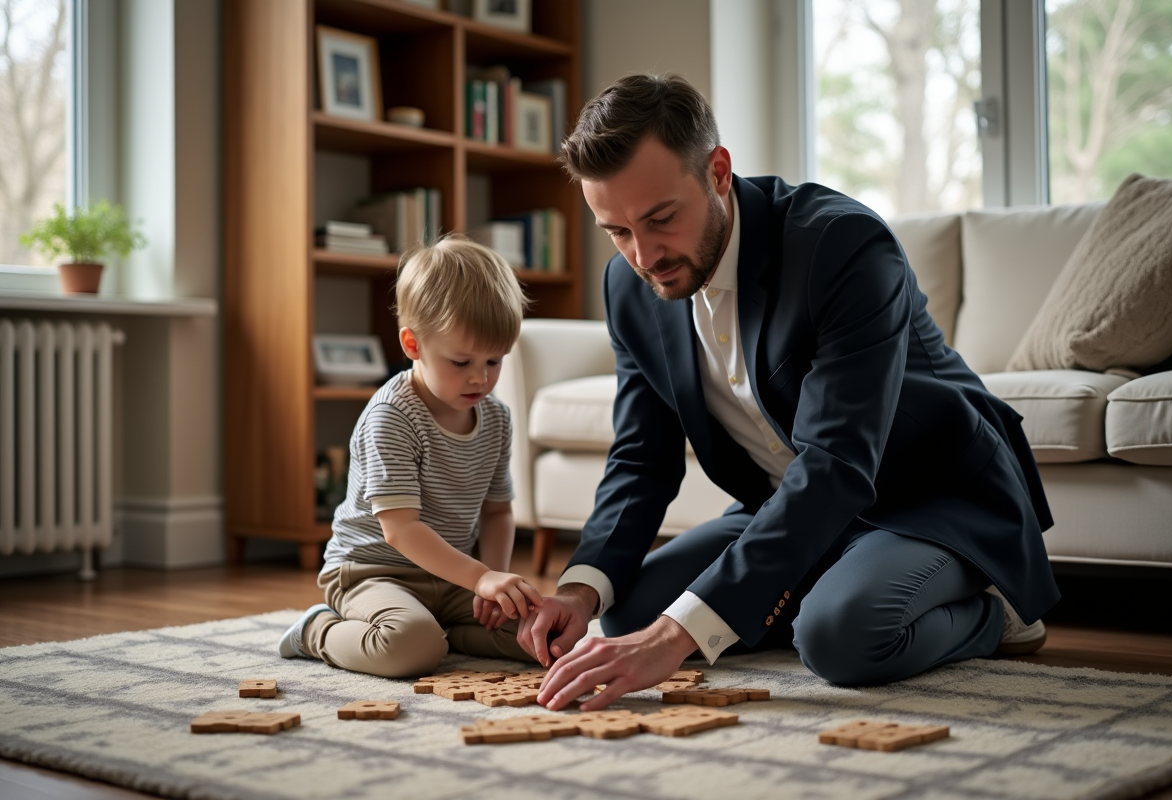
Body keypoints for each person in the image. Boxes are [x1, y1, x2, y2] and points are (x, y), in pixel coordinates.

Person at [521, 73, 1060, 711]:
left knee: (838, 639)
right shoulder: (628, 288)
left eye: (661, 218)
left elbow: (836, 461)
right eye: (616, 231)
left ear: (717, 171)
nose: (644, 256)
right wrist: (580, 591)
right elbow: (642, 457)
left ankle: (995, 613)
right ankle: (817, 586)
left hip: (928, 497)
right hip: (789, 504)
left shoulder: (841, 245)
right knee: (627, 611)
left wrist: (676, 635)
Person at [279, 236, 541, 677]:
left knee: (544, 633)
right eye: (461, 362)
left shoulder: (496, 418)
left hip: (451, 574)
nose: (481, 377)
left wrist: (492, 582)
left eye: (494, 361)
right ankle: (316, 631)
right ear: (412, 344)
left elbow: (498, 512)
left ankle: (447, 631)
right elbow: (400, 529)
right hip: (373, 572)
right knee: (408, 648)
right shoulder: (392, 417)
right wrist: (478, 578)